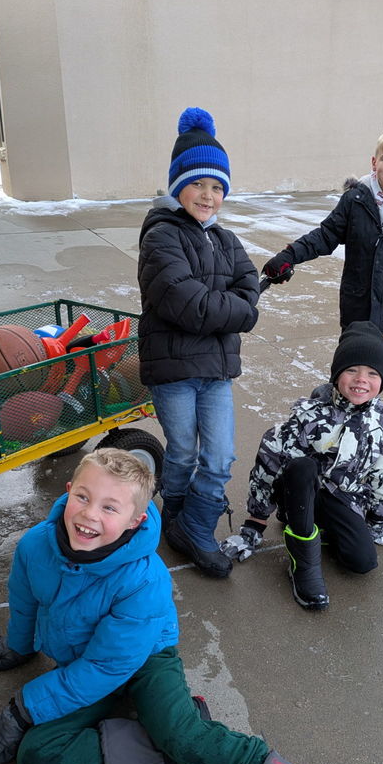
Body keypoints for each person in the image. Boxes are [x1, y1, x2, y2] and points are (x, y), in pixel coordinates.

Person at [0, 447, 378, 764]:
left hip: (142, 660)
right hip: (84, 665)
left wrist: (22, 710)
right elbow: (25, 601)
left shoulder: (143, 580)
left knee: (178, 733)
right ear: (67, 493)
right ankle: (180, 736)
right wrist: (18, 646)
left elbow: (107, 667)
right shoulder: (35, 547)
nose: (88, 515)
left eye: (110, 507)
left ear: (137, 520)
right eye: (83, 497)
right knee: (38, 759)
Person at [137, 107, 260, 578]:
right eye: (198, 184)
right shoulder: (161, 236)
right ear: (177, 186)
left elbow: (247, 287)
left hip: (215, 371)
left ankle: (195, 527)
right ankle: (177, 522)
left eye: (217, 187)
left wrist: (229, 307)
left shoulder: (225, 240)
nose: (208, 196)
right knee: (184, 452)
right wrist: (234, 311)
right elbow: (187, 304)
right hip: (173, 371)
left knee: (221, 455)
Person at [262, 127, 383, 440]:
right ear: (374, 162)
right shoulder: (356, 199)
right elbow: (326, 235)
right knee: (354, 356)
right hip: (359, 297)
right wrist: (289, 255)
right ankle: (348, 409)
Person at [221, 322, 383, 610]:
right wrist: (254, 525)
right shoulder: (310, 415)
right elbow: (269, 462)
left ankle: (317, 524)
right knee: (303, 467)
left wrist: (376, 523)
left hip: (342, 498)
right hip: (298, 489)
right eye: (351, 370)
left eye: (372, 373)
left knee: (362, 563)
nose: (361, 380)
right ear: (336, 374)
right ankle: (303, 565)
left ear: (382, 380)